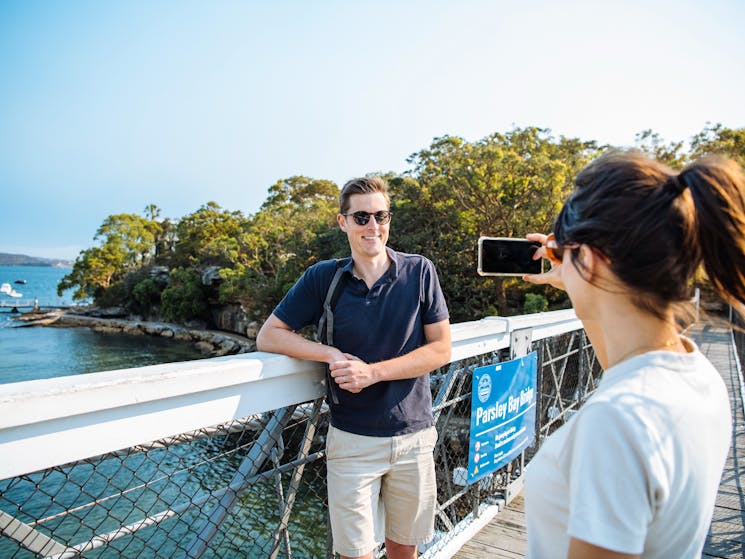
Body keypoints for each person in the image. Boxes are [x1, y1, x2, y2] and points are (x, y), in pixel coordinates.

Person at [522, 149, 741, 558]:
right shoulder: (697, 375)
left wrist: (581, 275)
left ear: (588, 258)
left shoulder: (616, 422)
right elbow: (622, 368)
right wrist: (576, 278)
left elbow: (622, 405)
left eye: (565, 253)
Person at [256, 176, 451, 559]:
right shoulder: (324, 277)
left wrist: (373, 372)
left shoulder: (419, 271)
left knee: (403, 551)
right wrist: (330, 354)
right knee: (354, 554)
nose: (373, 226)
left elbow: (441, 349)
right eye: (361, 217)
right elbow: (270, 336)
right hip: (352, 441)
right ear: (343, 222)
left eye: (381, 215)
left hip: (414, 436)